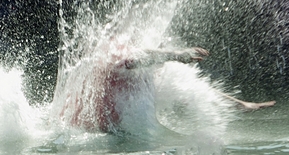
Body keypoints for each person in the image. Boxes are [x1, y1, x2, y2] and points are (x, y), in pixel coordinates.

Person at [53, 43, 273, 134]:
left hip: (114, 136)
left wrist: (241, 104)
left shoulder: (147, 77)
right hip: (81, 134)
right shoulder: (112, 60)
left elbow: (192, 87)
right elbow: (134, 59)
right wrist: (175, 54)